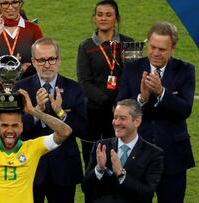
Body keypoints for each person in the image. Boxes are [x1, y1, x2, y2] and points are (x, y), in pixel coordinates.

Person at [117, 21, 195, 203]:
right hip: (137, 155)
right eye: (152, 47)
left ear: (173, 49)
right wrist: (141, 99)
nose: (156, 53)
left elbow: (185, 109)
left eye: (162, 49)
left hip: (173, 156)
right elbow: (119, 108)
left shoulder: (186, 70)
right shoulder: (132, 69)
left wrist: (161, 93)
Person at [0, 89, 72, 203]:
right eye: (4, 125)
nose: (10, 130)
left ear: (21, 127)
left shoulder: (33, 147)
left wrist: (33, 111)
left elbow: (65, 132)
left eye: (15, 125)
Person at [13, 37, 87, 203]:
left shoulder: (74, 88)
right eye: (41, 60)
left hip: (64, 167)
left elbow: (84, 129)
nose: (47, 65)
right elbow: (13, 130)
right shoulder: (20, 89)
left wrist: (61, 113)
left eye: (51, 59)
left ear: (59, 60)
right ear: (33, 61)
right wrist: (36, 110)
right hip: (30, 167)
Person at [76, 0, 134, 168]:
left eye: (108, 15)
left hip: (122, 112)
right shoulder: (85, 46)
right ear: (94, 18)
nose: (103, 18)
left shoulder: (129, 44)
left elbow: (132, 78)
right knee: (92, 160)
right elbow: (84, 82)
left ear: (116, 19)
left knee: (120, 158)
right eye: (99, 15)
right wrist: (108, 103)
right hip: (93, 112)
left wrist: (119, 105)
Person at [81, 99, 164, 203]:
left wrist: (121, 174)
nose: (117, 122)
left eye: (122, 118)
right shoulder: (101, 146)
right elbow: (85, 188)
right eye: (115, 117)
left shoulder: (153, 153)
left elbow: (147, 194)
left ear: (137, 121)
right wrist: (99, 169)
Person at [0, 0, 42, 93]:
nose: (10, 7)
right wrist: (15, 69)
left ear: (20, 3)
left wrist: (16, 69)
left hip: (27, 90)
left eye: (14, 2)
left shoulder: (34, 29)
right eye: (5, 3)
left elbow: (42, 64)